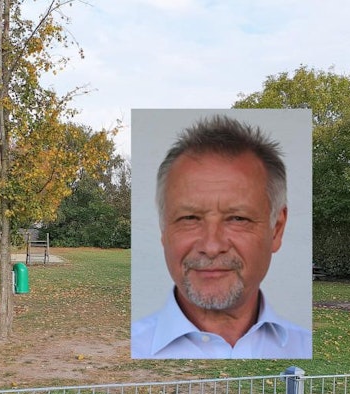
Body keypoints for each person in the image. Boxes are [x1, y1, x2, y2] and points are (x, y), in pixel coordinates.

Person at [131, 115, 313, 359]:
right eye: (190, 218)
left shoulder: (303, 346)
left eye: (237, 219)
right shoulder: (133, 345)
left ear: (277, 229)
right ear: (164, 229)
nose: (212, 246)